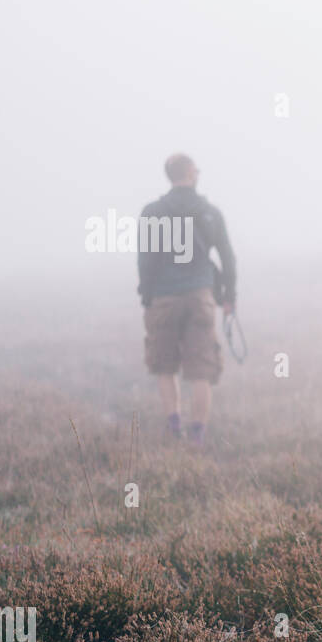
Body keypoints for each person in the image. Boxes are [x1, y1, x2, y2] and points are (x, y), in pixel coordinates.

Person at [137, 154, 236, 445]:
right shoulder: (210, 212)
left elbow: (145, 259)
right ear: (191, 173)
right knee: (201, 370)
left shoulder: (152, 212)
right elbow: (227, 257)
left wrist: (147, 296)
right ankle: (197, 436)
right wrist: (229, 297)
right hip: (201, 296)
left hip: (163, 298)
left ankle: (174, 426)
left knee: (164, 366)